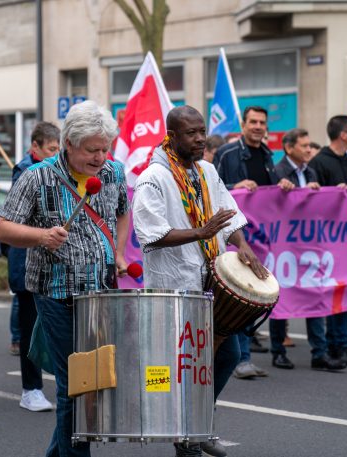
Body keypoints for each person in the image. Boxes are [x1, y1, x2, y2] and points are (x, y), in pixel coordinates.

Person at [0, 100, 129, 457]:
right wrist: (40, 236)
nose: (100, 157)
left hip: (100, 294)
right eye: (91, 150)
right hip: (57, 294)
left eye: (105, 149)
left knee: (92, 386)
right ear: (68, 143)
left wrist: (118, 251)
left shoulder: (114, 172)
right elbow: (2, 228)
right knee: (76, 388)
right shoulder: (37, 177)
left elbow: (121, 212)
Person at [133, 105, 268, 457]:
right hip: (175, 285)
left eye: (201, 131)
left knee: (226, 355)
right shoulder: (153, 178)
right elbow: (149, 234)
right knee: (185, 365)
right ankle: (189, 433)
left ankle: (196, 423)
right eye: (190, 133)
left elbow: (228, 214)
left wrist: (243, 245)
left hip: (210, 280)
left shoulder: (207, 170)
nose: (199, 138)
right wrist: (201, 232)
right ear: (172, 136)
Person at [270, 129, 347, 372]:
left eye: (308, 145)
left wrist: (322, 193)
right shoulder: (278, 171)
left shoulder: (311, 171)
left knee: (315, 295)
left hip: (309, 244)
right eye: (303, 146)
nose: (308, 149)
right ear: (289, 148)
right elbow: (272, 205)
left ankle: (319, 353)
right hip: (284, 245)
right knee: (281, 298)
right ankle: (278, 350)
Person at [213, 106, 275, 378]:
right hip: (234, 234)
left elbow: (272, 195)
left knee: (253, 294)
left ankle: (241, 355)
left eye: (262, 122)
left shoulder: (270, 155)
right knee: (240, 293)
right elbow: (212, 188)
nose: (258, 126)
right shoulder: (226, 153)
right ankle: (239, 357)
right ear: (243, 124)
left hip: (261, 237)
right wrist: (237, 186)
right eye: (253, 122)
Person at [7, 121, 60, 412]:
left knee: (49, 326)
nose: (55, 154)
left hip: (48, 261)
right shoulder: (26, 174)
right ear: (35, 147)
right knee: (29, 327)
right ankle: (31, 389)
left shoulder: (53, 171)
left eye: (58, 149)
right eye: (51, 149)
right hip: (27, 261)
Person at [308, 115, 347, 366]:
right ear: (343, 134)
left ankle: (343, 342)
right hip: (326, 238)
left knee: (345, 290)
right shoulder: (320, 162)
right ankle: (330, 343)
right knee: (329, 292)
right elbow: (313, 198)